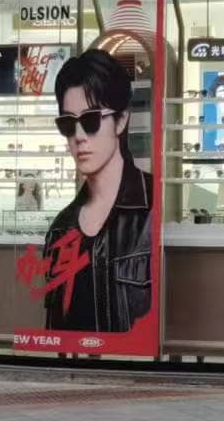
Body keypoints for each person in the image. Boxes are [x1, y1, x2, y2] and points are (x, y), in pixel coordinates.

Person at [38, 49, 152, 333]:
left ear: (121, 120)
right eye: (67, 124)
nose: (78, 136)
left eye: (90, 121)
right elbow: (56, 330)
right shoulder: (60, 230)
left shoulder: (153, 208)